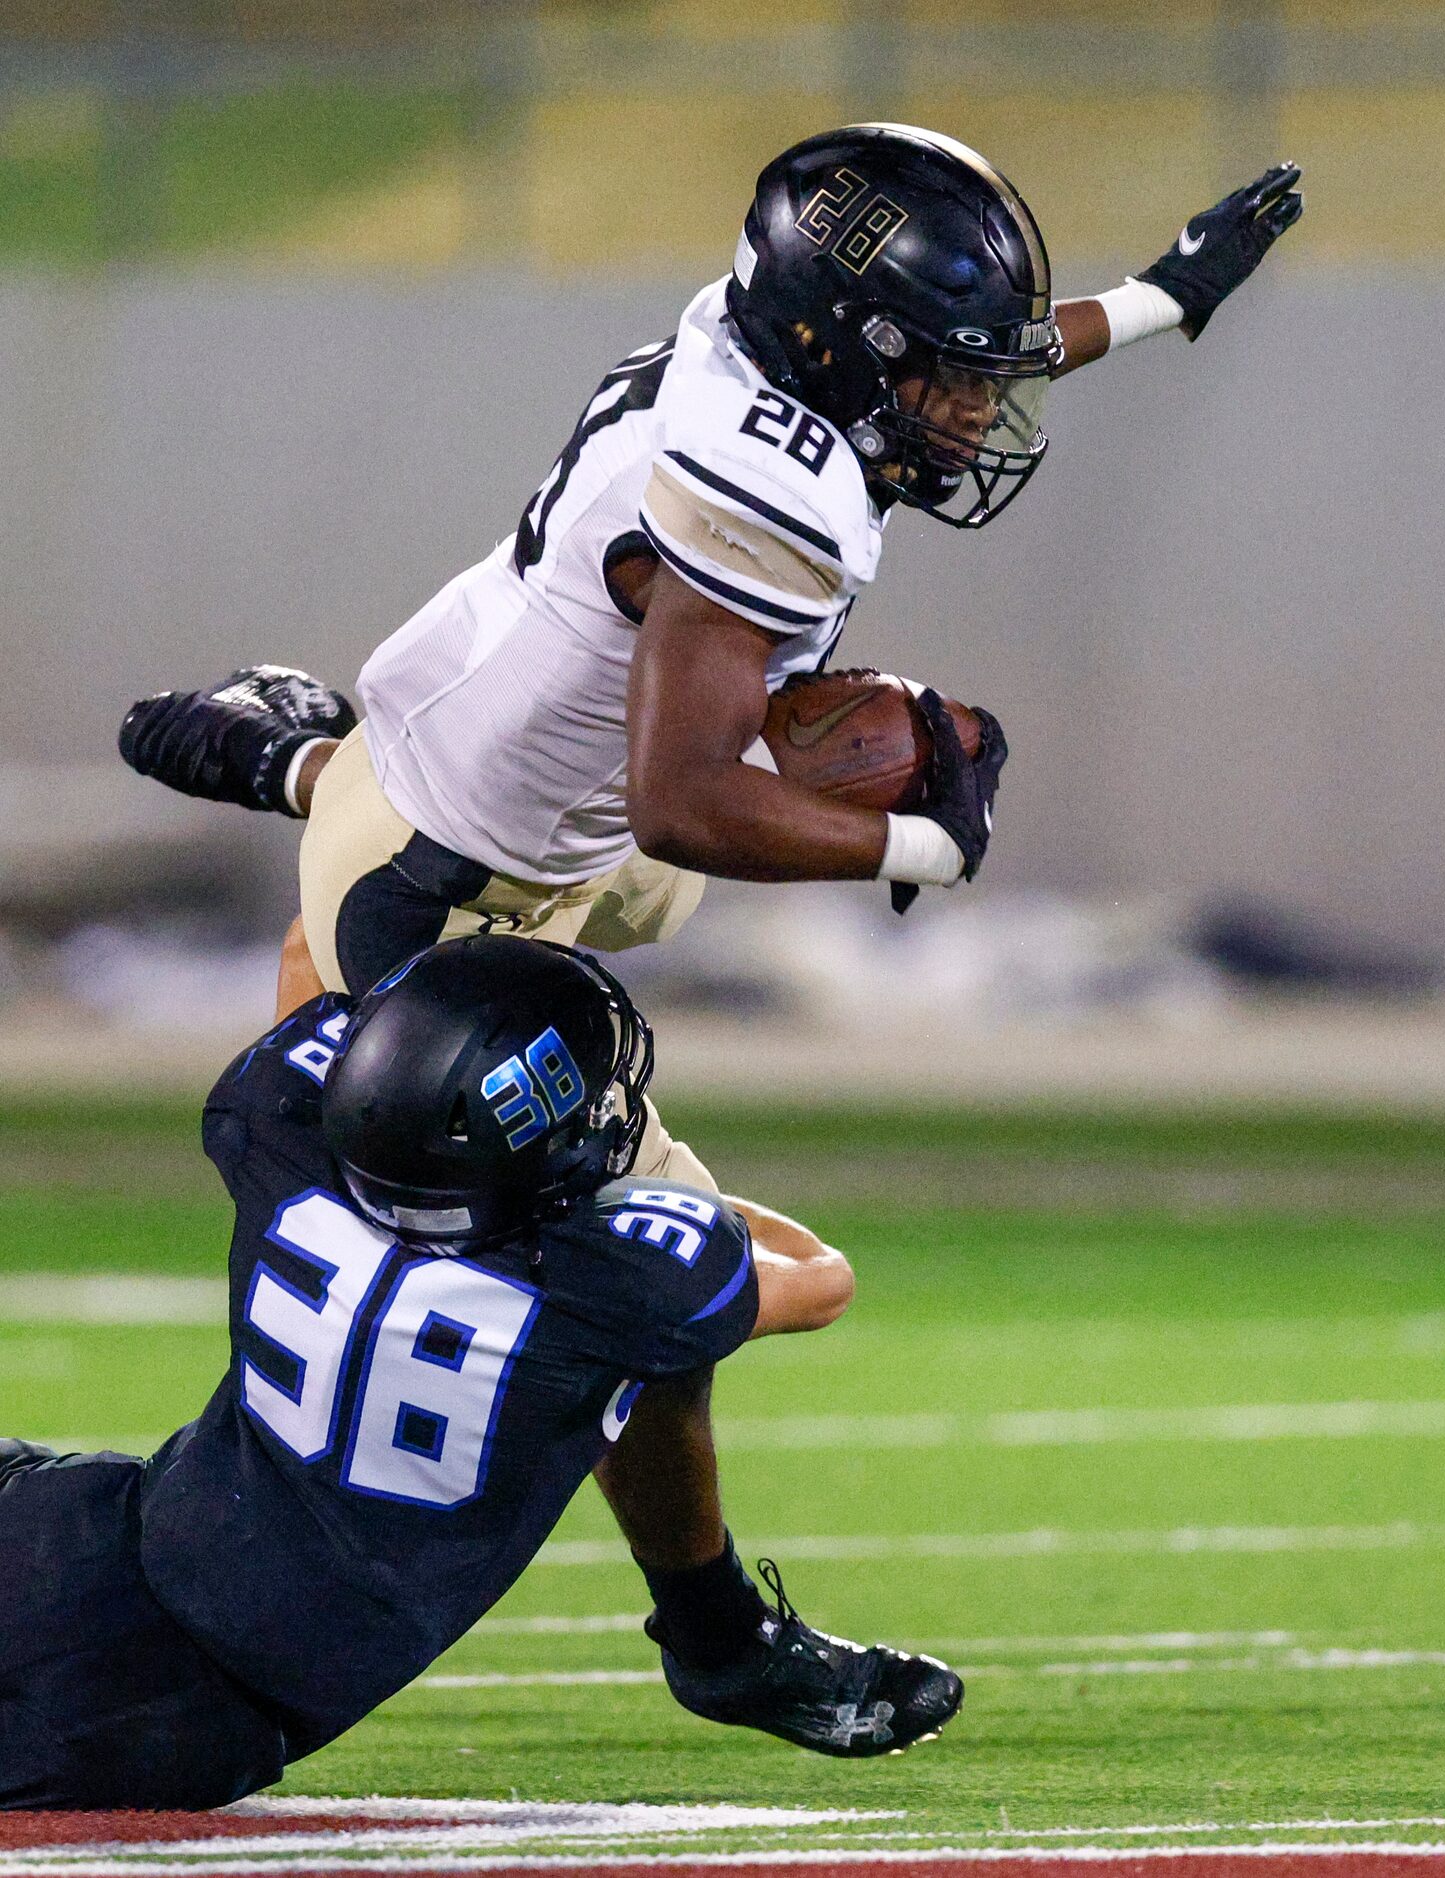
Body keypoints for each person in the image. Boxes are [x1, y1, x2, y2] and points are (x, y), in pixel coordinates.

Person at [119, 124, 1304, 1022]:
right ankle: (312, 775)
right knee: (569, 1253)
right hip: (465, 866)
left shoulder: (755, 331)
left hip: (526, 747)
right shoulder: (765, 488)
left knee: (629, 874)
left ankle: (313, 763)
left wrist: (1165, 298)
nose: (978, 412)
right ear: (841, 345)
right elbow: (681, 802)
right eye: (952, 379)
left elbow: (970, 346)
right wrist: (926, 849)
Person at [0, 936, 959, 1809]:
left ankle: (724, 1637)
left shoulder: (275, 1128)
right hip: (182, 1710)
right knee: (662, 1364)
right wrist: (654, 1171)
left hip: (86, 1530)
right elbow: (822, 1278)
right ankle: (721, 1638)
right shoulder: (607, 1290)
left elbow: (314, 962)